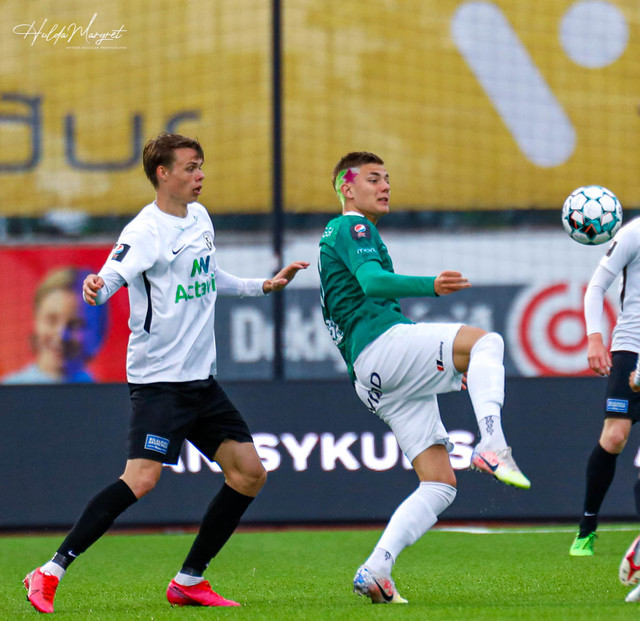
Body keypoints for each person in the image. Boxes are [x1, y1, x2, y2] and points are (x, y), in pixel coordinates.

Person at [22, 133, 309, 613]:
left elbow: (208, 276)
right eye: (191, 167)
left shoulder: (199, 217)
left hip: (201, 381)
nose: (200, 175)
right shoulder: (144, 231)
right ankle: (50, 570)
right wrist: (95, 287)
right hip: (159, 382)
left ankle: (189, 581)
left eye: (201, 166)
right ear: (163, 173)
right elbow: (111, 277)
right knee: (140, 479)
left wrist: (262, 285)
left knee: (248, 473)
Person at [318, 151, 530, 604]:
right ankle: (492, 445)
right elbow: (373, 283)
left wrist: (451, 368)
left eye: (387, 178)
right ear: (347, 189)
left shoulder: (335, 236)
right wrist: (430, 285)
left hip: (370, 377)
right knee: (487, 343)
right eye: (373, 178)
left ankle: (376, 569)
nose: (385, 186)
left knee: (439, 483)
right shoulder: (354, 227)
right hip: (381, 347)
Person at [569, 215, 640, 558]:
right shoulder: (633, 233)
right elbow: (597, 287)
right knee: (614, 438)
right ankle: (587, 527)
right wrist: (594, 338)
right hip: (631, 347)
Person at [3, 266, 107, 384]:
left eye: (75, 324)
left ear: (98, 331)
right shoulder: (8, 391)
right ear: (35, 320)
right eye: (51, 320)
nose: (61, 334)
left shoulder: (106, 394)